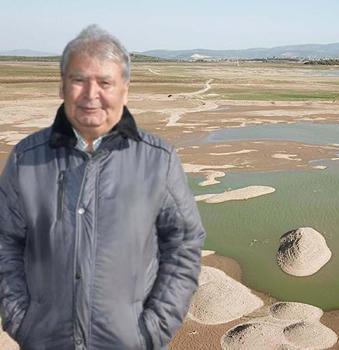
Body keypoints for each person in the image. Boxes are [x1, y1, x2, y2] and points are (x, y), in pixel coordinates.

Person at [0, 24, 206, 349]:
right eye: (79, 80)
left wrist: (153, 329)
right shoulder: (26, 158)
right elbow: (5, 241)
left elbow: (183, 245)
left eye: (105, 82)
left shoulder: (158, 161)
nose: (90, 94)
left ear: (125, 89)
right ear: (63, 87)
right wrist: (21, 319)